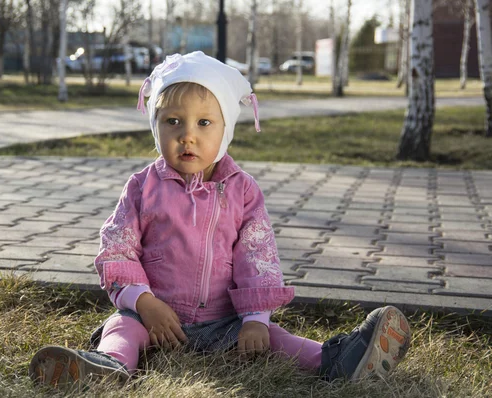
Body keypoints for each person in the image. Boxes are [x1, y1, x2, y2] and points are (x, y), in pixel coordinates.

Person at [28, 51, 411, 389]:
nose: (187, 137)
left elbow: (257, 257)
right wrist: (144, 303)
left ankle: (337, 360)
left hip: (224, 323)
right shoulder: (142, 187)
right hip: (153, 317)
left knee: (275, 339)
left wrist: (255, 319)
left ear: (226, 128)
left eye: (204, 124)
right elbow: (117, 250)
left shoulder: (242, 191)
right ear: (154, 125)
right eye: (173, 122)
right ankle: (106, 366)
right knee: (120, 328)